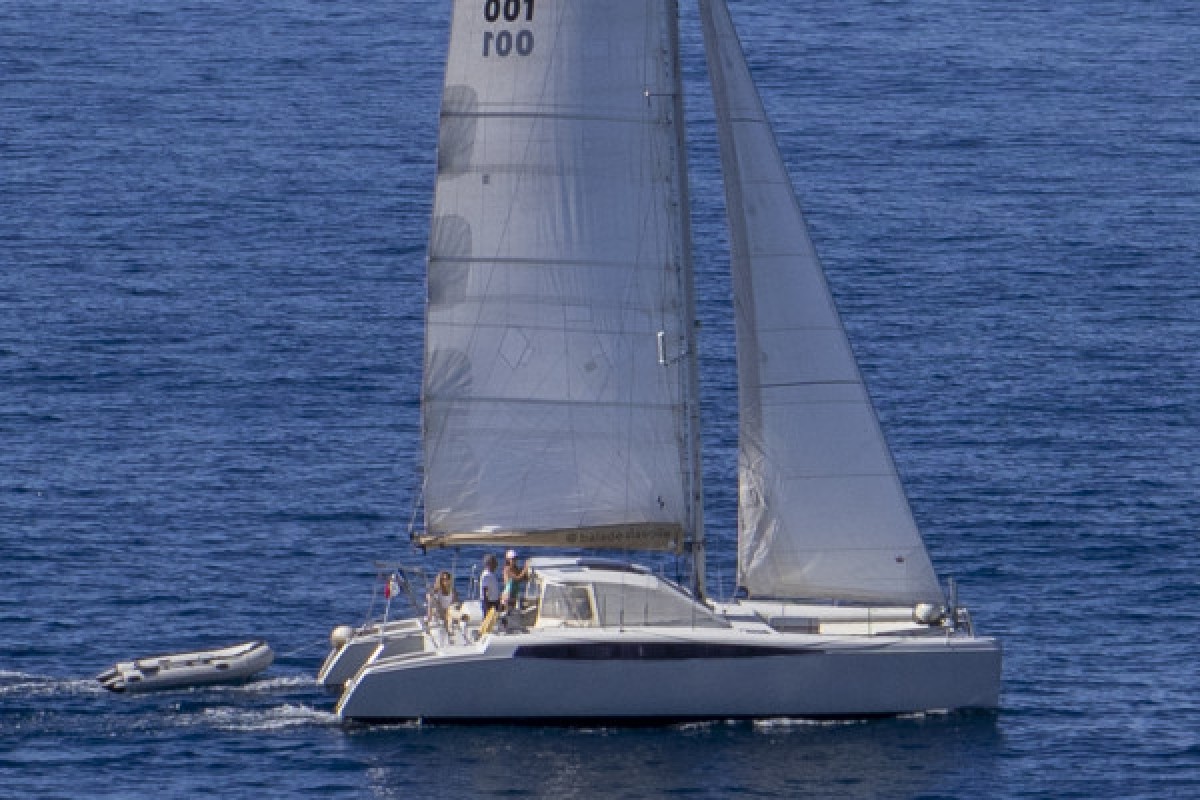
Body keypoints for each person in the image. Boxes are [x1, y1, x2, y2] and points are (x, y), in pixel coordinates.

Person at [479, 554, 501, 618]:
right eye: (494, 562)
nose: (496, 564)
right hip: (489, 602)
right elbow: (485, 590)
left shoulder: (491, 574)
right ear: (490, 564)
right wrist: (487, 606)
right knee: (488, 621)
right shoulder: (487, 575)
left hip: (493, 601)